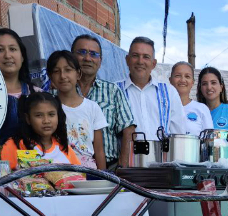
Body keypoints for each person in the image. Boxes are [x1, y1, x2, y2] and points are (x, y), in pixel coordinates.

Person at [71, 34, 134, 169]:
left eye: (93, 54)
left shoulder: (112, 91)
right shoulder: (59, 91)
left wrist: (122, 168)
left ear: (100, 61)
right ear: (71, 56)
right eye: (82, 52)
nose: (87, 58)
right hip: (68, 167)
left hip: (109, 167)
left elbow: (128, 129)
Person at [47, 50, 107, 170]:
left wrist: (104, 180)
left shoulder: (92, 108)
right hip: (56, 170)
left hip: (88, 171)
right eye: (56, 71)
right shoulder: (48, 107)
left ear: (78, 74)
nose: (63, 76)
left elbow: (99, 151)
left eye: (68, 70)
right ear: (50, 76)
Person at [118, 36, 186, 140]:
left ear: (153, 63)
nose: (140, 61)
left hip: (162, 156)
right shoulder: (115, 90)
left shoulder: (169, 92)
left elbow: (178, 135)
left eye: (146, 57)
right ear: (127, 60)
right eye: (135, 55)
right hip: (125, 156)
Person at [1, 92, 81, 170]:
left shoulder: (64, 148)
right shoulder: (14, 145)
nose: (46, 121)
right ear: (28, 119)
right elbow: (2, 178)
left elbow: (80, 178)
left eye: (51, 114)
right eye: (39, 115)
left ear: (58, 116)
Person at [0, 28, 40, 145]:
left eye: (13, 49)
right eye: (0, 50)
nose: (7, 55)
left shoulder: (37, 95)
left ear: (22, 56)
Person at [169, 61, 213, 136]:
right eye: (178, 76)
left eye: (187, 76)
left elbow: (209, 140)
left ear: (192, 82)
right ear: (170, 80)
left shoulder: (202, 109)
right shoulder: (161, 108)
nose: (182, 80)